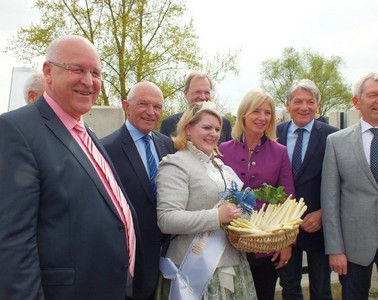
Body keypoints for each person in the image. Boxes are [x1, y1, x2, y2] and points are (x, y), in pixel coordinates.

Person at [0, 35, 145, 300]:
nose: (88, 81)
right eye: (77, 69)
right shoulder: (16, 130)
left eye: (95, 73)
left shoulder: (83, 129)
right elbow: (12, 245)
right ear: (48, 72)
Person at [156, 102, 257, 299]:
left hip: (232, 262)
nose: (213, 134)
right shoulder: (175, 164)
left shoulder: (220, 166)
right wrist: (216, 216)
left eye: (217, 129)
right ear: (188, 129)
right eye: (206, 127)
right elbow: (166, 220)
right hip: (192, 267)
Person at [321, 72, 378, 300]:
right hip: (353, 249)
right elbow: (330, 199)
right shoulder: (336, 142)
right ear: (356, 101)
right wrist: (335, 249)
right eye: (373, 94)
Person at [219, 88, 295, 300]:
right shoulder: (223, 149)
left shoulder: (279, 152)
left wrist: (286, 244)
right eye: (256, 111)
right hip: (230, 244)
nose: (262, 118)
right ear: (244, 113)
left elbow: (288, 199)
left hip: (266, 246)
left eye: (268, 113)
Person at [101, 81, 174, 300]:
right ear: (126, 106)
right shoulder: (106, 148)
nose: (151, 112)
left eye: (157, 106)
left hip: (164, 254)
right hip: (129, 259)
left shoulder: (166, 144)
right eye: (143, 104)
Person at [277, 79, 338, 300]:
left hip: (319, 226)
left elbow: (340, 181)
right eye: (298, 101)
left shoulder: (333, 135)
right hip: (284, 227)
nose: (304, 107)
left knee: (322, 290)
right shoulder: (275, 133)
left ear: (318, 105)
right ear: (287, 104)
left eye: (310, 102)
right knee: (289, 287)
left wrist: (323, 213)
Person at [159, 71, 232, 143]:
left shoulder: (224, 124)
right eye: (198, 92)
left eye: (207, 93)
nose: (203, 97)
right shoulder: (169, 124)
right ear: (186, 94)